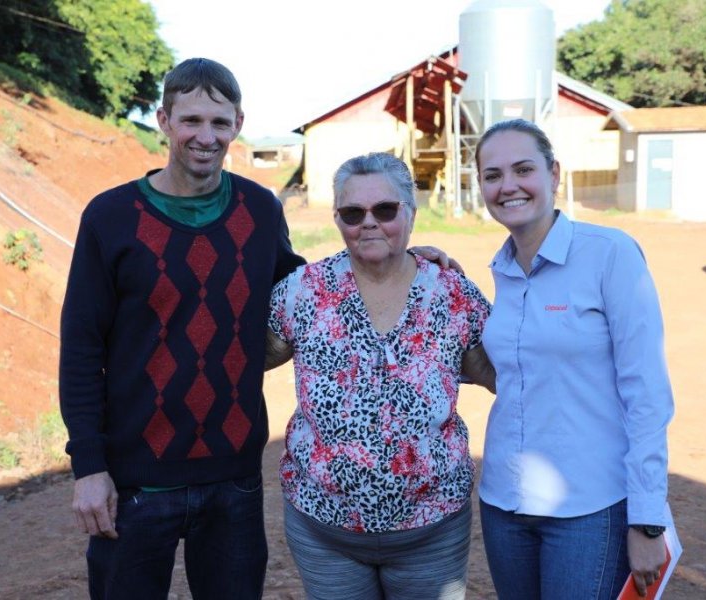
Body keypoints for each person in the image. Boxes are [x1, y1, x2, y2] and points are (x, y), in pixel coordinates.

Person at [59, 58, 454, 599]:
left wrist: (398, 257)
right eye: (191, 120)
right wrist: (89, 467)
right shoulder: (110, 217)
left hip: (234, 477)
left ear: (238, 123)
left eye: (219, 123)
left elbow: (308, 286)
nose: (206, 136)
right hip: (137, 478)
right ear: (164, 121)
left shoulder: (259, 209)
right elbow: (82, 349)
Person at [265, 152, 496, 600]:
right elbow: (249, 356)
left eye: (385, 210)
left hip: (432, 530)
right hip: (324, 531)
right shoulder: (301, 291)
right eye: (353, 213)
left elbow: (497, 371)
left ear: (411, 212)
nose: (368, 223)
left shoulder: (452, 293)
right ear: (337, 219)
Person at [474, 118, 674, 599]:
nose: (508, 186)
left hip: (587, 508)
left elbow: (646, 392)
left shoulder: (610, 255)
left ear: (554, 173)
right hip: (504, 503)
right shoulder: (501, 268)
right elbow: (507, 366)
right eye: (492, 175)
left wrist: (647, 520)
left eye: (523, 169)